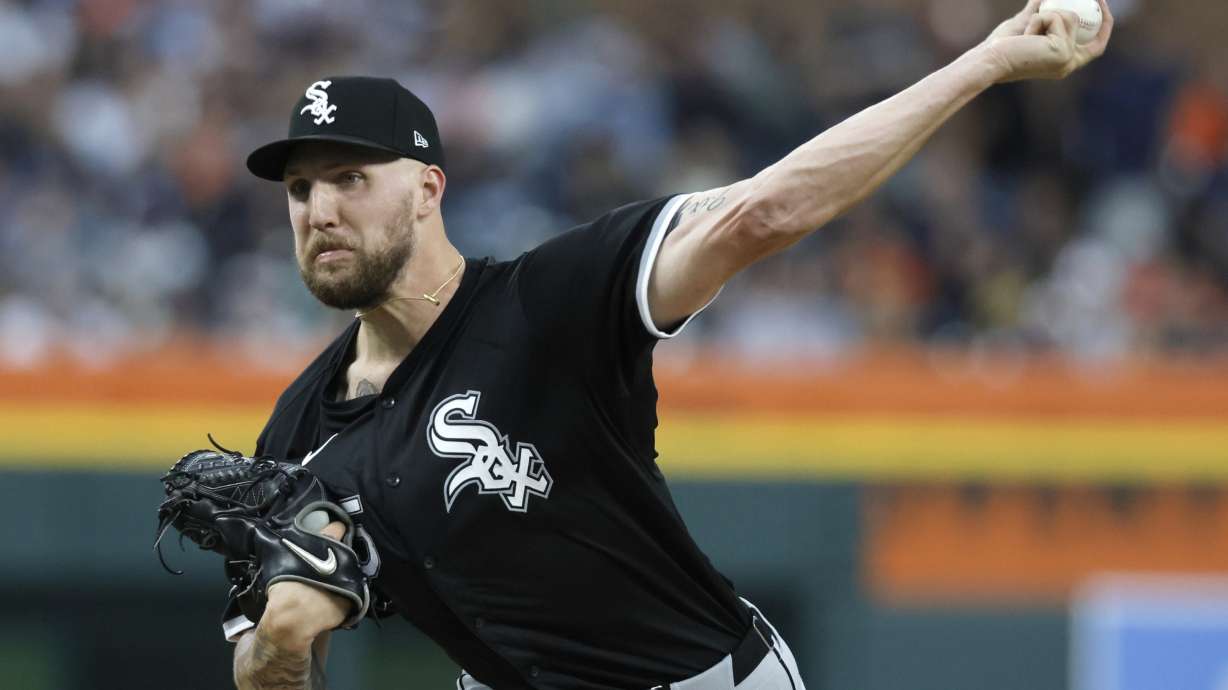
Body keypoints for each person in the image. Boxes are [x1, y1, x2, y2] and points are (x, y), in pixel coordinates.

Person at [228, 2, 1112, 688]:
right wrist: (278, 640)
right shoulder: (295, 439)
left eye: (351, 177)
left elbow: (761, 212)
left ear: (427, 189)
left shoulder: (548, 302)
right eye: (300, 189)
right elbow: (267, 663)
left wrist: (987, 62)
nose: (321, 210)